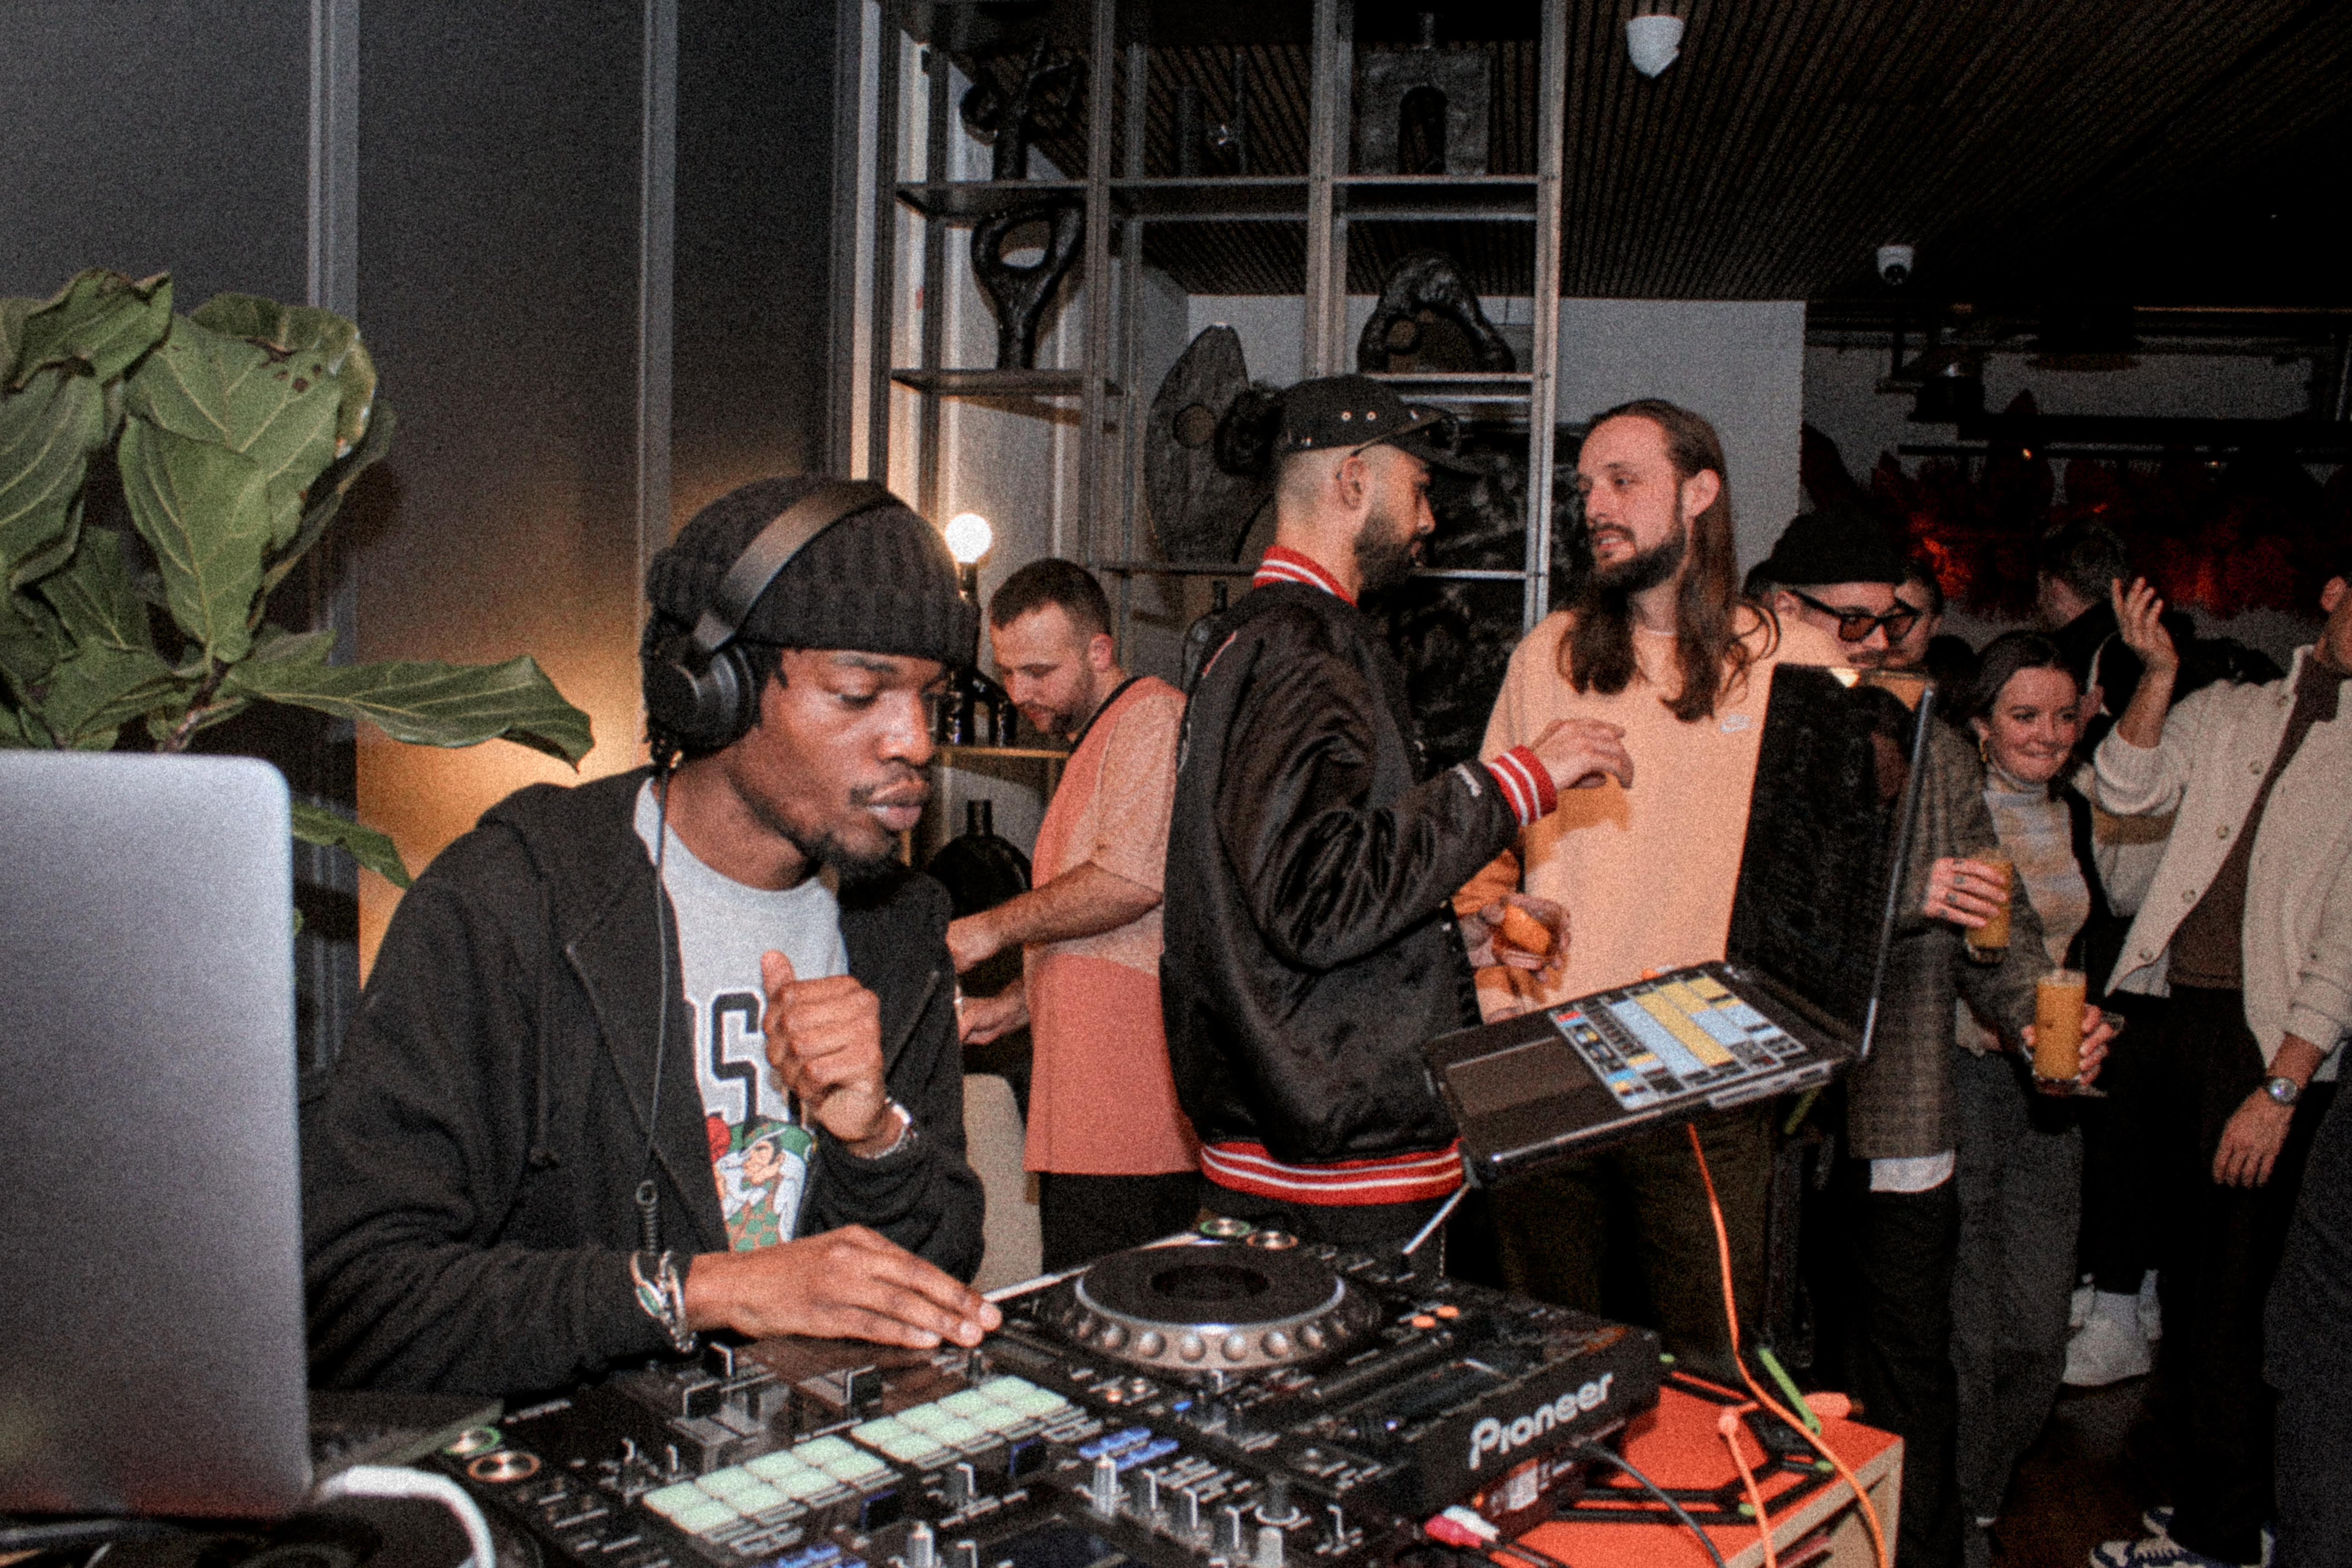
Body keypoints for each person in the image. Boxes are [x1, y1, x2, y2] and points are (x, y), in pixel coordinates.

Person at [303, 477, 997, 1397]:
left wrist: (874, 1143)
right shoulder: (511, 906)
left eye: (931, 699)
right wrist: (705, 1291)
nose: (913, 739)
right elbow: (357, 1298)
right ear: (711, 690)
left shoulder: (900, 927)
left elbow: (925, 1282)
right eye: (859, 693)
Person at [1162, 374, 1636, 1254]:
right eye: (1418, 489)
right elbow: (1316, 897)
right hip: (1337, 1177)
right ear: (1352, 483)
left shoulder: (1248, 639)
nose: (1427, 522)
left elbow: (1280, 904)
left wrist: (1456, 945)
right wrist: (1520, 780)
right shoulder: (1308, 649)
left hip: (1285, 1143)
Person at [1751, 507, 2114, 1568]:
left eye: (1892, 622)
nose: (1878, 643)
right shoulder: (1735, 728)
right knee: (1763, 1354)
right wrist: (1917, 892)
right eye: (1855, 623)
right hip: (1759, 1108)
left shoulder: (1935, 748)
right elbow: (1762, 908)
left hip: (1901, 1101)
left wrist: (2046, 1011)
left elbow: (1996, 926)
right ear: (1782, 610)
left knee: (1907, 1362)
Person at [1450, 398, 1841, 1383]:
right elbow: (1487, 851)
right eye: (1587, 488)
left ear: (1700, 491)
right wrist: (1496, 994)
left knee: (1715, 1359)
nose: (1597, 506)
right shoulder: (1551, 654)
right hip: (1548, 1054)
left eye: (1624, 481)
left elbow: (1842, 859)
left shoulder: (1790, 660)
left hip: (1710, 1061)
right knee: (1546, 1359)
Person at [2088, 568, 2352, 1568]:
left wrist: (2284, 1085)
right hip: (2172, 1017)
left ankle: (2226, 1536)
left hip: (2268, 1045)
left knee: (2241, 1301)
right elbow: (2126, 790)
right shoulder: (2232, 708)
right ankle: (2227, 1508)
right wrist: (2156, 676)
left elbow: (2346, 943)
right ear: (2333, 593)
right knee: (2194, 1291)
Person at [949, 559, 1200, 1269]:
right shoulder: (1094, 741)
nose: (1018, 692)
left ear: (1099, 651)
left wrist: (988, 927)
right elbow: (1111, 941)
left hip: (1133, 1122)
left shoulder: (1150, 717)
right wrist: (1012, 1004)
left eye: (1039, 671)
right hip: (1087, 1122)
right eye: (1008, 671)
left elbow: (1130, 882)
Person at [1943, 634, 2119, 1560]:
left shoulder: (2075, 815)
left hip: (2057, 1093)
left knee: (2040, 1330)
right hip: (1966, 1084)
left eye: (2061, 716)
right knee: (1969, 1329)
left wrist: (2098, 1022)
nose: (2046, 735)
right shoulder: (1951, 817)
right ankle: (1966, 1515)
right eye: (2023, 716)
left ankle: (1984, 1486)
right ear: (1979, 725)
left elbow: (2089, 942)